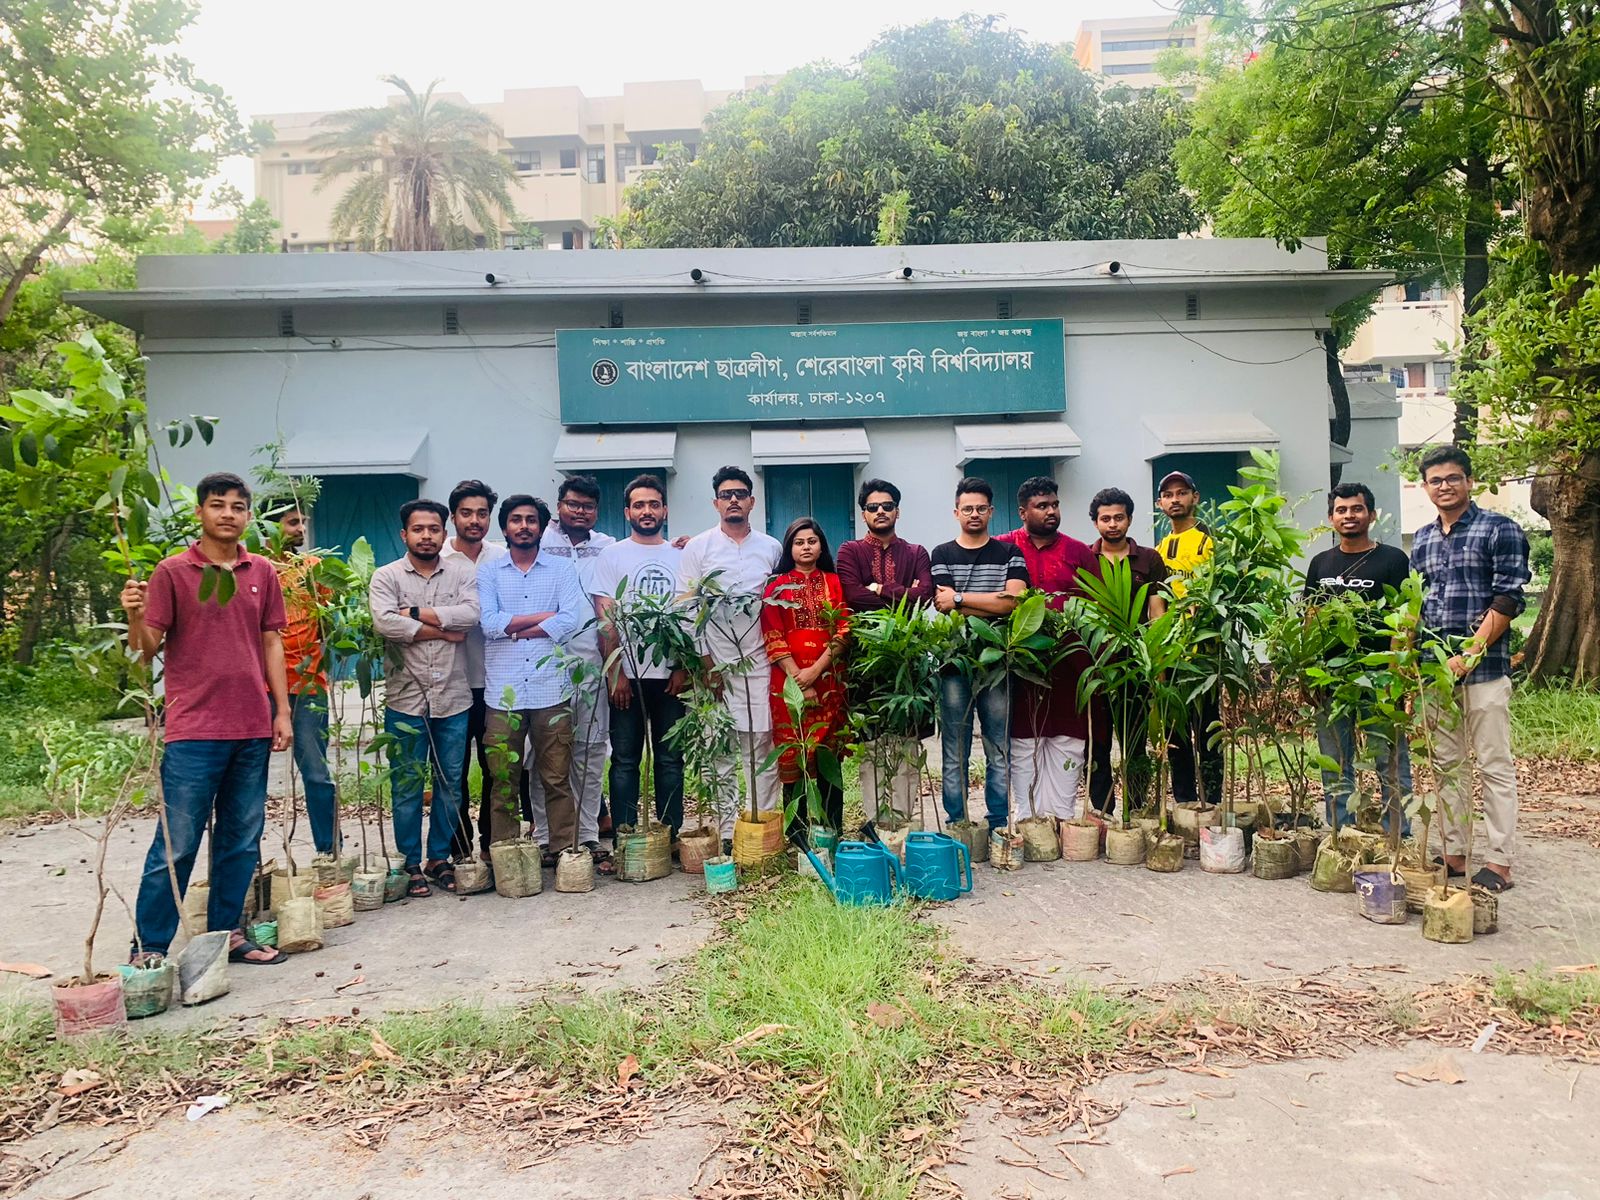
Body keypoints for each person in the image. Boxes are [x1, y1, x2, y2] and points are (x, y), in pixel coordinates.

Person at [122, 471, 292, 967]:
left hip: (252, 726)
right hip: (194, 730)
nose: (228, 515)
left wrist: (280, 710)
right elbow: (145, 648)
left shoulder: (261, 570)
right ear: (200, 512)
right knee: (176, 844)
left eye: (238, 507)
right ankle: (149, 947)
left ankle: (226, 935)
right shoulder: (172, 572)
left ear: (248, 516)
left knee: (240, 840)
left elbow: (271, 642)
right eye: (218, 505)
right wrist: (135, 615)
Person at [1412, 446, 1530, 892]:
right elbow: (1417, 606)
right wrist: (1410, 659)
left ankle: (1499, 862)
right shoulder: (1422, 539)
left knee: (1495, 764)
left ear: (1469, 481)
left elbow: (1509, 598)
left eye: (1453, 478)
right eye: (1436, 480)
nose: (1445, 486)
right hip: (1435, 674)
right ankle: (1455, 854)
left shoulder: (1499, 529)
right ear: (1425, 488)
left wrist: (1471, 653)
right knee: (1448, 767)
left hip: (1484, 672)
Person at [370, 499, 480, 898]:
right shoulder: (386, 576)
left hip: (453, 697)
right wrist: (441, 629)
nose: (427, 536)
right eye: (418, 529)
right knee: (407, 785)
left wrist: (414, 612)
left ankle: (438, 858)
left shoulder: (462, 570)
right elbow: (384, 622)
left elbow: (470, 616)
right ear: (405, 534)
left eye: (434, 529)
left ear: (443, 531)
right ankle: (410, 862)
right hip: (406, 700)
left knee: (450, 783)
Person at [478, 494, 590, 866]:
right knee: (502, 782)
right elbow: (489, 624)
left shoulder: (561, 570)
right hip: (503, 695)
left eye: (531, 520)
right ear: (505, 526)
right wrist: (541, 619)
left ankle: (562, 854)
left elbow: (568, 621)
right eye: (516, 519)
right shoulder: (490, 572)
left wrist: (515, 626)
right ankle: (508, 857)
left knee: (557, 779)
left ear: (542, 527)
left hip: (550, 690)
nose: (524, 526)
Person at [677, 466, 782, 848]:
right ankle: (725, 834)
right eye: (726, 494)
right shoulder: (698, 548)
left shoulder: (771, 547)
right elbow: (687, 609)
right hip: (715, 666)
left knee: (761, 750)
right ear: (715, 502)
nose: (733, 500)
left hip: (760, 664)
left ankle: (760, 829)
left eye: (740, 493)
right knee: (720, 751)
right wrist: (706, 665)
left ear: (752, 501)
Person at [1303, 482, 1414, 831]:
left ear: (1371, 514)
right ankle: (1341, 834)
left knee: (1390, 759)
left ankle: (1399, 836)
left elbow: (1405, 620)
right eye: (1341, 510)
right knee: (1335, 762)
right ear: (1331, 518)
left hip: (1380, 678)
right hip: (1330, 679)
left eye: (1356, 509)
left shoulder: (1393, 559)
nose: (1349, 516)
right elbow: (1311, 618)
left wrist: (1398, 676)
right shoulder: (1321, 563)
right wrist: (1308, 672)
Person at [592, 475, 689, 864]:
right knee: (626, 759)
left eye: (653, 504)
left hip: (669, 676)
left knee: (670, 759)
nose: (646, 511)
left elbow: (688, 614)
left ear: (664, 510)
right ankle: (626, 836)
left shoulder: (682, 556)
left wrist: (682, 666)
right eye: (639, 505)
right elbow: (605, 617)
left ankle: (670, 834)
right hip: (627, 674)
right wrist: (616, 672)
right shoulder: (612, 556)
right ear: (627, 512)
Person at [930, 476, 1029, 829]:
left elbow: (1015, 602)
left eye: (980, 508)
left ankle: (998, 822)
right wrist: (991, 603)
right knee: (954, 749)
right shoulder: (941, 553)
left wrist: (961, 598)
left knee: (997, 747)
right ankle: (957, 822)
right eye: (967, 508)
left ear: (991, 511)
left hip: (998, 662)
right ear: (956, 512)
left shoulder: (1009, 552)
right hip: (954, 662)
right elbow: (944, 606)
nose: (974, 514)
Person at [997, 477, 1097, 823]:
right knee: (1025, 738)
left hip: (1070, 661)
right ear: (1023, 511)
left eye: (1054, 504)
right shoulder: (1004, 547)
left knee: (1068, 736)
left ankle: (1063, 817)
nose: (1052, 511)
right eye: (1042, 506)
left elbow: (1096, 604)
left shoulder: (1078, 551)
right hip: (1022, 661)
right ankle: (1027, 817)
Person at [532, 475, 616, 863]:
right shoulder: (538, 542)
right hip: (544, 663)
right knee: (542, 753)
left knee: (591, 747)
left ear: (596, 511)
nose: (579, 512)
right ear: (559, 505)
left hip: (593, 661)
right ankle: (545, 836)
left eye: (587, 506)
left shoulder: (607, 547)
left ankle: (587, 835)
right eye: (572, 504)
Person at [761, 518, 852, 833]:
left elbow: (844, 629)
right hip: (788, 684)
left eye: (812, 541)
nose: (806, 547)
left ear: (821, 546)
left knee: (828, 757)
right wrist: (799, 678)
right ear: (789, 548)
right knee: (795, 755)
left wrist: (815, 671)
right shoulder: (776, 585)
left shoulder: (834, 582)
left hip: (828, 681)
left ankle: (831, 831)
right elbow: (772, 634)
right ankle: (796, 834)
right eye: (799, 542)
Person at [1084, 487, 1169, 818]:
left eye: (1119, 517)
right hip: (1096, 664)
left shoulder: (1149, 559)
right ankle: (1102, 810)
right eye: (1105, 518)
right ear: (1095, 523)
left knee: (1134, 741)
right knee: (1098, 742)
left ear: (1130, 519)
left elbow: (1157, 612)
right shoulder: (1085, 558)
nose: (1112, 524)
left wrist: (1157, 662)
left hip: (1136, 663)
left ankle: (1135, 810)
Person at [266, 497, 341, 857]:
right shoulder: (253, 570)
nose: (300, 530)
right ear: (267, 525)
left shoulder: (314, 569)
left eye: (302, 523)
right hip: (260, 687)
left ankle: (330, 854)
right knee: (248, 778)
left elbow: (327, 623)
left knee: (316, 772)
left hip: (309, 685)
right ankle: (248, 867)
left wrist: (314, 664)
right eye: (292, 522)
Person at [440, 480, 508, 862]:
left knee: (496, 769)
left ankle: (491, 844)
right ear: (453, 517)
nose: (475, 520)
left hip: (495, 682)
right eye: (466, 513)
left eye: (482, 513)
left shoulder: (500, 557)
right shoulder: (439, 558)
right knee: (454, 773)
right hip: (450, 682)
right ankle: (458, 848)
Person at [1155, 469, 1223, 808]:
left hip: (1205, 653)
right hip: (1172, 652)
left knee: (1209, 732)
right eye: (1169, 495)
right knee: (1176, 733)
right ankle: (1183, 802)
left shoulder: (1210, 540)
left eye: (1182, 493)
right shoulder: (1161, 548)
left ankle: (1212, 800)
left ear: (1195, 497)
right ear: (1160, 504)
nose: (1175, 499)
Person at [835, 478, 934, 612]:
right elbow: (853, 596)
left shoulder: (916, 553)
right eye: (873, 507)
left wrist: (878, 589)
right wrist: (908, 596)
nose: (880, 511)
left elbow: (926, 596)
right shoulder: (850, 550)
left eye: (887, 506)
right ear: (864, 516)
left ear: (897, 512)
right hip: (863, 632)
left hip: (908, 632)